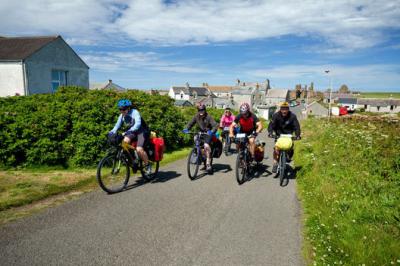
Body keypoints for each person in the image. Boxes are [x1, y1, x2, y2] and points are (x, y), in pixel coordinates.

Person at [109, 99, 152, 175]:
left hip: (142, 132)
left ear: (128, 108)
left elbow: (138, 124)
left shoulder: (135, 112)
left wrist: (129, 131)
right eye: (120, 109)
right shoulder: (122, 115)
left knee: (139, 149)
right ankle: (133, 161)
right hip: (132, 132)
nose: (122, 111)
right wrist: (112, 132)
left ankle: (148, 165)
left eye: (124, 109)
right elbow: (117, 125)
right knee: (124, 143)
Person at [183, 103, 218, 173]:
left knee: (206, 146)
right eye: (199, 110)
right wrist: (187, 128)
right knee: (195, 140)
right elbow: (191, 123)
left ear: (205, 110)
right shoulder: (196, 116)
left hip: (208, 133)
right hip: (200, 132)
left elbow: (215, 125)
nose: (201, 111)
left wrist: (212, 131)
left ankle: (208, 164)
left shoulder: (209, 117)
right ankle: (198, 154)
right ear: (198, 111)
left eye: (202, 110)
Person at [268, 101, 301, 173]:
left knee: (290, 147)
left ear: (288, 109)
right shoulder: (276, 115)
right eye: (282, 109)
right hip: (279, 134)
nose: (284, 111)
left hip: (289, 135)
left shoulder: (292, 116)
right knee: (276, 148)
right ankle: (275, 163)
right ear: (280, 109)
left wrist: (297, 135)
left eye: (286, 109)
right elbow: (271, 125)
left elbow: (296, 126)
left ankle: (288, 156)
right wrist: (270, 132)